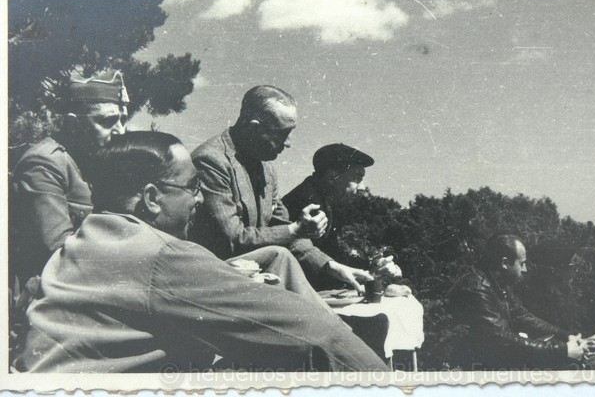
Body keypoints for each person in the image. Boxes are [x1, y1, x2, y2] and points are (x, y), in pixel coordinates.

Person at [12, 131, 389, 373]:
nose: (200, 200)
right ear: (152, 198)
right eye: (193, 187)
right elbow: (317, 335)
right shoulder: (161, 255)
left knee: (275, 259)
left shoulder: (89, 237)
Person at [190, 85, 373, 292]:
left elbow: (285, 231)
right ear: (254, 128)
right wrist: (295, 229)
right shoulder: (211, 161)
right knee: (281, 257)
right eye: (282, 134)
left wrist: (330, 266)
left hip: (254, 282)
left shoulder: (267, 168)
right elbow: (232, 239)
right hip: (215, 283)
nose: (288, 143)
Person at [10, 70, 129, 285]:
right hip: (50, 293)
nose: (121, 131)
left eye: (123, 119)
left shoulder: (98, 159)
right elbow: (60, 251)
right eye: (108, 121)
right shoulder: (44, 163)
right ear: (74, 125)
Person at [446, 233, 595, 370]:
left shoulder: (496, 284)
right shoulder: (477, 290)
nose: (525, 269)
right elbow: (502, 340)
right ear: (505, 263)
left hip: (516, 360)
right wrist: (563, 350)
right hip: (492, 371)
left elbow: (524, 317)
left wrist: (568, 337)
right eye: (522, 263)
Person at [282, 143, 401, 289]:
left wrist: (372, 265)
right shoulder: (307, 201)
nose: (362, 187)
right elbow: (310, 261)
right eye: (357, 178)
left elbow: (334, 253)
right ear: (333, 176)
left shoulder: (327, 199)